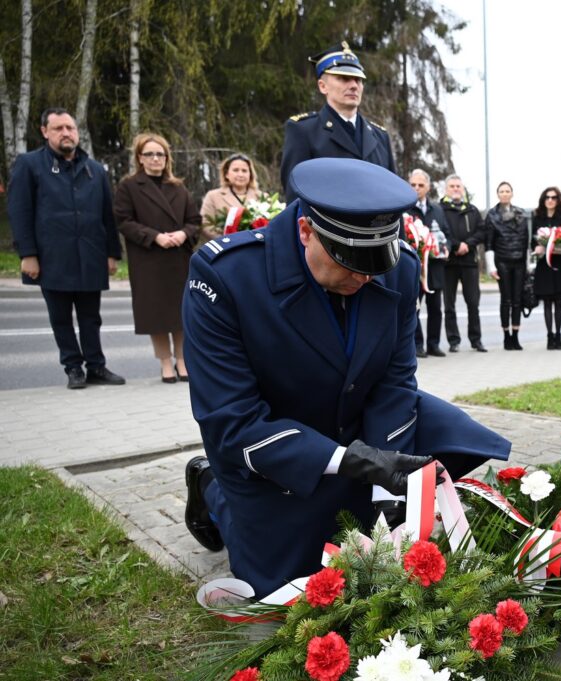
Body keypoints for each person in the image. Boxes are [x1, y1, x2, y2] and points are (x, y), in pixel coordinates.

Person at [182, 158, 510, 598]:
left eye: (376, 264)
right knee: (294, 590)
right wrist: (353, 462)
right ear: (306, 232)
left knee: (394, 534)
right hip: (277, 447)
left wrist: (387, 489)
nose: (365, 277)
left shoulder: (399, 267)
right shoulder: (226, 276)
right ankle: (211, 487)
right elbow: (231, 421)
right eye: (350, 262)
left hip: (357, 421)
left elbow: (394, 381)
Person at [7, 108, 126, 389]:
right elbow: (20, 211)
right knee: (61, 318)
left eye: (70, 128)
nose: (66, 133)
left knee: (91, 318)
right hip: (52, 257)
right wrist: (28, 254)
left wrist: (112, 253)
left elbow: (106, 215)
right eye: (58, 128)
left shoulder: (94, 169)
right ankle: (73, 368)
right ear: (44, 132)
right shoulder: (29, 164)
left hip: (90, 254)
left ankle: (96, 366)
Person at [114, 133, 201, 383]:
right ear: (140, 158)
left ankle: (182, 359)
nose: (155, 159)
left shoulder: (178, 187)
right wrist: (154, 237)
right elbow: (123, 221)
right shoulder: (129, 186)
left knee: (181, 313)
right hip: (148, 259)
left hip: (178, 258)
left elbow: (194, 220)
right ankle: (165, 362)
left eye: (160, 154)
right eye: (149, 154)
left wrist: (184, 234)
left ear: (167, 158)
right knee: (156, 314)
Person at [280, 41, 396, 202]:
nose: (354, 86)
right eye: (344, 78)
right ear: (323, 86)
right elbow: (296, 195)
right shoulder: (303, 130)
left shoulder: (380, 136)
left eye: (358, 80)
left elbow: (393, 195)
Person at [440, 174, 488, 353]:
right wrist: (455, 245)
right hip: (449, 263)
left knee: (473, 303)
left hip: (469, 263)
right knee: (449, 305)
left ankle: (476, 340)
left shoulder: (472, 210)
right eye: (452, 186)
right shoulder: (440, 209)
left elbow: (481, 232)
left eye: (458, 186)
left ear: (463, 189)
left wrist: (467, 244)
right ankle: (453, 341)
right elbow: (441, 232)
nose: (455, 189)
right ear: (446, 189)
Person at [408, 169, 452, 358]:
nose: (417, 188)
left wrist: (446, 247)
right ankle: (417, 345)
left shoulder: (437, 210)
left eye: (421, 185)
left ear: (428, 187)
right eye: (413, 185)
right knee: (414, 308)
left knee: (435, 308)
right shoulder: (405, 209)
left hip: (434, 268)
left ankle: (434, 344)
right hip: (414, 268)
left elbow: (447, 234)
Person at [484, 182, 530, 351]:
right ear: (498, 194)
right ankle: (506, 336)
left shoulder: (521, 213)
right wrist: (491, 267)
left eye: (507, 191)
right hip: (502, 261)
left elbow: (525, 241)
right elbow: (489, 243)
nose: (504, 194)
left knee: (517, 300)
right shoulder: (492, 215)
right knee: (506, 299)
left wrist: (527, 265)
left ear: (512, 193)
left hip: (519, 262)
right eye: (501, 191)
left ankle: (515, 336)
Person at [532, 187, 561, 350]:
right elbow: (532, 241)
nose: (550, 200)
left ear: (558, 200)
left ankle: (559, 336)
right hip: (544, 265)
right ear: (543, 200)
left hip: (560, 264)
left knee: (559, 302)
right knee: (547, 302)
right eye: (547, 197)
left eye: (553, 197)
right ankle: (550, 336)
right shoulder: (538, 218)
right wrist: (537, 248)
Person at [199, 153, 261, 242]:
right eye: (236, 170)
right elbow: (205, 224)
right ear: (226, 174)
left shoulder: (262, 197)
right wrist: (227, 241)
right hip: (224, 246)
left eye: (244, 171)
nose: (240, 174)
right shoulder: (213, 196)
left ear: (250, 174)